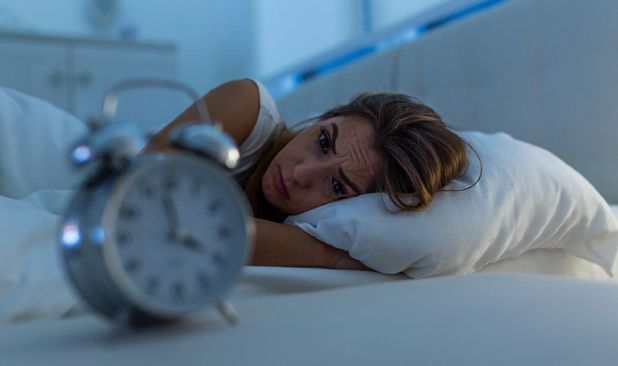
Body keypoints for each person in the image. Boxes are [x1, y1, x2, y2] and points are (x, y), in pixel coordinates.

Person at [144, 79, 469, 272]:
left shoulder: (340, 227)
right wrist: (324, 253)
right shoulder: (248, 107)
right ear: (326, 117)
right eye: (323, 141)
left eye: (338, 185)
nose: (300, 173)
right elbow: (137, 196)